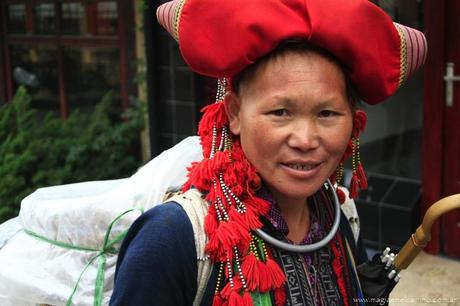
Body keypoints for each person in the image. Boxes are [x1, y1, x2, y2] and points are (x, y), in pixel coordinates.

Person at [110, 0, 426, 305]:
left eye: (327, 113)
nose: (305, 139)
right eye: (280, 112)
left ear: (354, 121)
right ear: (234, 113)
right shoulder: (170, 238)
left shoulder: (340, 214)